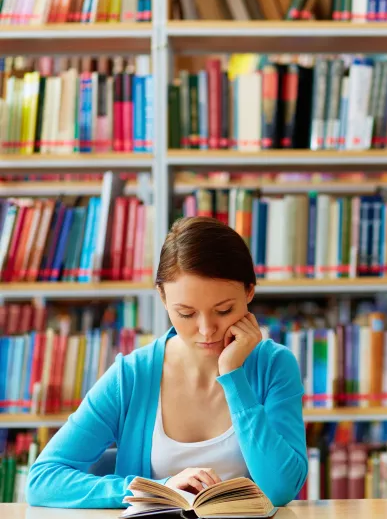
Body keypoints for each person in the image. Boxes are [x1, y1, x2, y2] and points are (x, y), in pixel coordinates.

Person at [26, 216, 308, 509]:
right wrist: (157, 490)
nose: (206, 329)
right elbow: (42, 481)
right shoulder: (131, 376)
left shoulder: (275, 365)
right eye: (186, 313)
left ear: (249, 291)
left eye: (223, 310)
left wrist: (233, 376)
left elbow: (279, 489)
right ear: (162, 296)